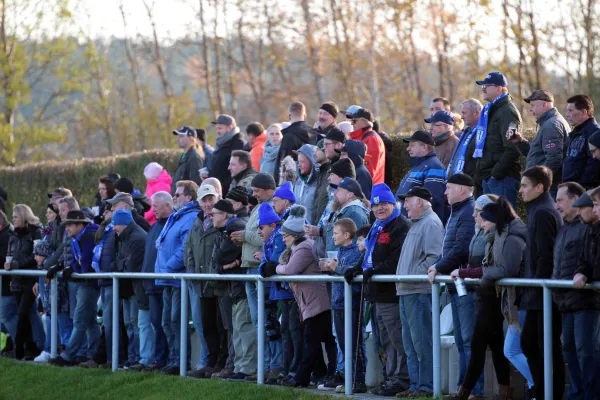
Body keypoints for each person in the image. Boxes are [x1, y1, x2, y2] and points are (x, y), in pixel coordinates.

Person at [449, 197, 528, 400]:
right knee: (495, 346)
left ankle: (463, 393)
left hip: (495, 299)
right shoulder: (494, 238)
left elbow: (503, 269)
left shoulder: (507, 238)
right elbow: (488, 267)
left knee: (478, 346)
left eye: (483, 218)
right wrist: (469, 273)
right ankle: (505, 392)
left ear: (494, 220)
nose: (479, 221)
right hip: (489, 297)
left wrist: (477, 276)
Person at [261, 205, 336, 388]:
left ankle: (302, 377)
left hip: (317, 303)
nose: (283, 238)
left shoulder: (303, 247)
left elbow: (291, 270)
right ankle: (322, 373)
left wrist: (275, 269)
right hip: (311, 303)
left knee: (311, 342)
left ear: (294, 235)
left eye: (285, 235)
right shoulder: (298, 246)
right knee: (322, 341)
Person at [427, 173, 482, 398]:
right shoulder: (457, 211)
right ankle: (464, 388)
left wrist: (438, 266)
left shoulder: (468, 211)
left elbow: (461, 248)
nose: (445, 192)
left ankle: (473, 391)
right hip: (456, 284)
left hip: (466, 286)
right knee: (461, 341)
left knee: (469, 341)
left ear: (462, 189)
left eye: (448, 188)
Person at [518, 166, 564, 400]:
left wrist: (538, 287)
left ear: (540, 187)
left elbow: (546, 256)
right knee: (531, 344)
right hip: (538, 294)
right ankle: (544, 390)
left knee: (546, 347)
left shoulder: (544, 212)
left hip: (544, 295)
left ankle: (550, 393)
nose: (520, 190)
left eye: (525, 186)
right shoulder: (539, 210)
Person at [395, 186, 443, 398]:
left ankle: (426, 387)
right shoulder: (417, 224)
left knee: (422, 342)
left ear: (420, 202)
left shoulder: (431, 223)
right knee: (410, 343)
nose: (404, 205)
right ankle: (416, 386)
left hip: (418, 290)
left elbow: (434, 258)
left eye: (408, 200)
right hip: (406, 290)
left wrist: (411, 275)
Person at [552, 181, 598, 400]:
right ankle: (577, 395)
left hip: (586, 301)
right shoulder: (564, 230)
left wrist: (584, 274)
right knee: (570, 349)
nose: (557, 205)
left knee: (586, 352)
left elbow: (588, 262)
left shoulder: (586, 228)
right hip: (566, 302)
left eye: (560, 200)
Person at [154, 180, 200, 375]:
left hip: (177, 277)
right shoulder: (177, 216)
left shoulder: (190, 217)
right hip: (167, 277)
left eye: (178, 194)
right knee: (166, 321)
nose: (174, 197)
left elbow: (184, 249)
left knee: (176, 321)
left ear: (189, 197)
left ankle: (181, 362)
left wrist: (168, 267)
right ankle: (174, 360)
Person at [320, 218, 367, 393]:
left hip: (351, 306)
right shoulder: (339, 252)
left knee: (354, 344)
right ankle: (350, 378)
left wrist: (335, 268)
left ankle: (358, 380)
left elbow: (351, 275)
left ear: (346, 235)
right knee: (344, 344)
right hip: (339, 304)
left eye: (336, 233)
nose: (333, 237)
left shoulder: (355, 252)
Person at [48, 210, 100, 366]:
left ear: (80, 224)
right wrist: (61, 267)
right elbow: (76, 262)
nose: (67, 228)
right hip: (83, 282)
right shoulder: (76, 237)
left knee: (79, 319)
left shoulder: (89, 236)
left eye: (70, 225)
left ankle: (68, 356)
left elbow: (86, 263)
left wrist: (73, 270)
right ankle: (91, 354)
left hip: (89, 284)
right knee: (90, 321)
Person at [256, 202, 299, 384]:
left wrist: (266, 267)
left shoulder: (279, 238)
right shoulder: (270, 239)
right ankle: (287, 369)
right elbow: (265, 266)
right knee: (285, 330)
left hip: (289, 292)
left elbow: (272, 265)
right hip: (280, 292)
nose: (258, 231)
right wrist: (265, 267)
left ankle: (292, 370)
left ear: (273, 225)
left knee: (292, 331)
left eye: (261, 227)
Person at [184, 183, 222, 379]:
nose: (208, 204)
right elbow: (189, 248)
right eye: (204, 200)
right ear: (199, 203)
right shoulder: (197, 222)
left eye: (211, 199)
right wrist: (191, 272)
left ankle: (217, 364)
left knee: (219, 325)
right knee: (206, 325)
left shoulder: (221, 220)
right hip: (201, 284)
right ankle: (210, 362)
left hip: (217, 285)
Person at [473, 72, 522, 208]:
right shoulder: (490, 110)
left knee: (503, 222)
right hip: (489, 177)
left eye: (487, 85)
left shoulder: (507, 111)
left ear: (499, 88)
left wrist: (495, 174)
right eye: (482, 86)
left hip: (502, 179)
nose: (483, 88)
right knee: (489, 224)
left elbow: (513, 147)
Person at [509, 90, 570, 195]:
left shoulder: (551, 125)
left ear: (545, 105)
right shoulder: (548, 123)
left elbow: (554, 160)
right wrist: (520, 142)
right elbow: (538, 155)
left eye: (533, 105)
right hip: (547, 186)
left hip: (548, 188)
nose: (530, 110)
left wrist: (538, 183)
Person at [5, 204, 43, 360]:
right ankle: (31, 347)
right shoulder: (13, 235)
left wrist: (18, 264)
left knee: (22, 313)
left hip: (29, 280)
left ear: (22, 216)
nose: (13, 220)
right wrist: (9, 264)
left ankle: (20, 349)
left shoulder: (35, 232)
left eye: (15, 216)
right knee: (26, 314)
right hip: (16, 281)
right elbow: (9, 254)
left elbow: (37, 255)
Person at [206, 200, 239, 380]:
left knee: (234, 328)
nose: (211, 217)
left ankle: (231, 366)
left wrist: (226, 266)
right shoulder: (220, 232)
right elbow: (218, 263)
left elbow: (219, 258)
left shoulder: (231, 230)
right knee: (227, 327)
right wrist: (226, 266)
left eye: (214, 214)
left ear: (225, 215)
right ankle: (229, 364)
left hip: (232, 288)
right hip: (223, 286)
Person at [112, 210, 147, 370]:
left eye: (115, 224)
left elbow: (131, 266)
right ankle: (132, 357)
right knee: (129, 323)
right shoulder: (124, 238)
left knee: (134, 323)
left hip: (136, 288)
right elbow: (119, 261)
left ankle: (138, 358)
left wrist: (122, 265)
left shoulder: (137, 238)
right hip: (128, 287)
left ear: (123, 224)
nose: (113, 228)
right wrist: (122, 264)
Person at [140, 191, 170, 372]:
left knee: (163, 324)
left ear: (168, 205)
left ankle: (166, 360)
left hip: (163, 284)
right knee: (155, 323)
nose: (153, 210)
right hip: (151, 284)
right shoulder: (154, 226)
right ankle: (160, 360)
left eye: (156, 207)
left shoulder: (169, 224)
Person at [396, 130, 446, 221]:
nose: (408, 149)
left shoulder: (434, 166)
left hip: (420, 224)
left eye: (412, 145)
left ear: (424, 147)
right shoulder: (418, 166)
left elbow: (432, 200)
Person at [563, 94, 600, 189]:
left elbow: (594, 163)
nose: (567, 115)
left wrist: (581, 188)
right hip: (571, 189)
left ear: (583, 112)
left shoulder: (594, 133)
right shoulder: (575, 133)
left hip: (583, 192)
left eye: (571, 110)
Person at [447, 99, 483, 194]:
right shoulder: (466, 132)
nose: (462, 117)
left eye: (464, 113)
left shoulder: (482, 133)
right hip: (462, 185)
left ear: (476, 112)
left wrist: (473, 182)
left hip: (471, 187)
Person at [274, 102, 314, 183]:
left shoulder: (289, 137)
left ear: (289, 116)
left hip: (294, 184)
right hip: (313, 182)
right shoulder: (314, 134)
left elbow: (284, 165)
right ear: (305, 116)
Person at [208, 114, 247, 194]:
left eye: (220, 128)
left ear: (229, 128)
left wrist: (227, 186)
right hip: (218, 189)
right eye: (217, 128)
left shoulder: (238, 143)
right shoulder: (221, 142)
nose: (218, 131)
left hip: (227, 191)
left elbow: (238, 169)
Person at [348, 108, 385, 185]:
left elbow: (367, 172)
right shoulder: (365, 138)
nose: (352, 124)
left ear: (365, 122)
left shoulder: (371, 139)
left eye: (354, 121)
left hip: (368, 190)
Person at [0, 210, 17, 357]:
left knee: (7, 315)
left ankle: (20, 344)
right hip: (5, 283)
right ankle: (10, 346)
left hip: (7, 284)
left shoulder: (7, 236)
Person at [171, 126, 205, 193]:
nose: (177, 139)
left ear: (191, 138)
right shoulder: (184, 155)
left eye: (181, 136)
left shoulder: (194, 156)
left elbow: (195, 183)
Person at [293, 144, 320, 224]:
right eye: (298, 161)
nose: (299, 165)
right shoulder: (298, 182)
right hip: (297, 232)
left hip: (312, 232)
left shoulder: (319, 183)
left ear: (312, 162)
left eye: (302, 161)